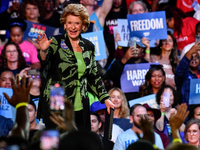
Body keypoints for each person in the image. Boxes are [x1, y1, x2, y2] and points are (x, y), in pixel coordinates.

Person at [36, 4, 114, 130]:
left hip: (81, 101)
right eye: (69, 23)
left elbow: (93, 75)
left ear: (83, 26)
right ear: (65, 25)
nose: (73, 27)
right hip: (58, 99)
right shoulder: (55, 42)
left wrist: (105, 98)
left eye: (77, 23)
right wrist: (43, 51)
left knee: (80, 142)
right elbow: (44, 61)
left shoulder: (88, 46)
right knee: (57, 141)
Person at [175, 42, 200, 107]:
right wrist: (190, 52)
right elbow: (181, 70)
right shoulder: (183, 75)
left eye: (196, 57)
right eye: (191, 56)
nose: (194, 58)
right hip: (189, 113)